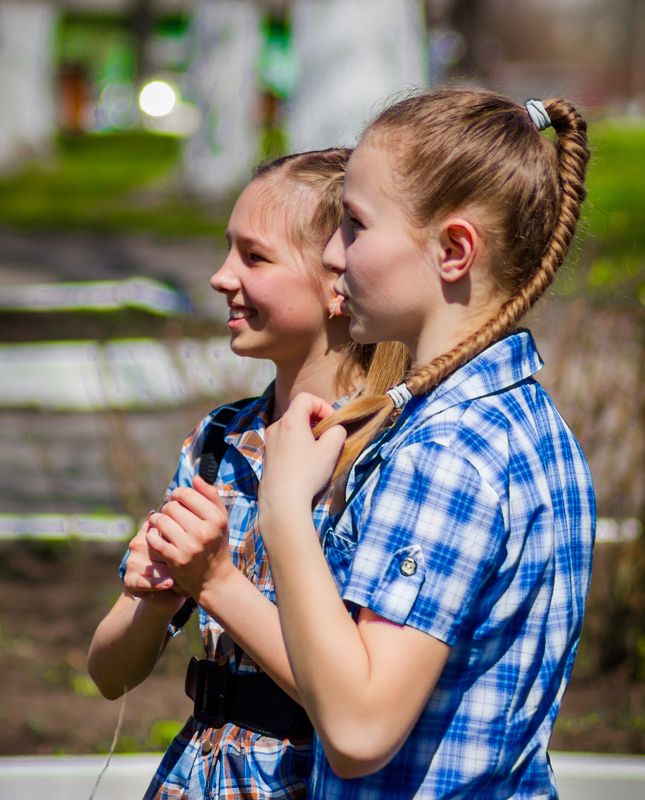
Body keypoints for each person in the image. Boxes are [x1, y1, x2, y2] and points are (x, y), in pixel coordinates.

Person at [257, 88, 596, 799]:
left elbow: (357, 731)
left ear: (451, 249)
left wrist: (283, 506)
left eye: (353, 224)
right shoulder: (525, 421)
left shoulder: (446, 453)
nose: (329, 251)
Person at [87, 147, 409, 799]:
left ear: (339, 283)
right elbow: (109, 674)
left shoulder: (389, 454)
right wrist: (154, 600)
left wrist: (214, 581)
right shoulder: (217, 441)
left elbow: (356, 711)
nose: (218, 277)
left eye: (253, 257)